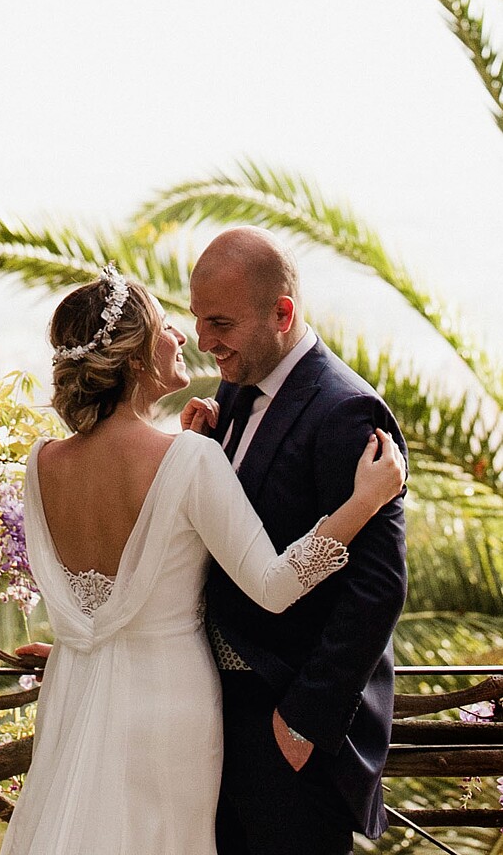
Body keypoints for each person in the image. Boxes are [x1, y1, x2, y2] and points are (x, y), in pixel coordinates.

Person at [2, 261, 404, 855]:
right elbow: (272, 585)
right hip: (171, 709)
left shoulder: (41, 465)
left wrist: (76, 640)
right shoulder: (188, 459)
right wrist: (362, 503)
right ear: (136, 357)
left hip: (78, 692)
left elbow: (101, 594)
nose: (183, 337)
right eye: (169, 325)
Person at [183, 228, 408, 855]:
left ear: (282, 313)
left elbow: (378, 587)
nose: (206, 343)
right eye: (198, 321)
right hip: (214, 716)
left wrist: (302, 722)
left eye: (220, 322)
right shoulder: (234, 388)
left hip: (287, 725)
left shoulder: (347, 412)